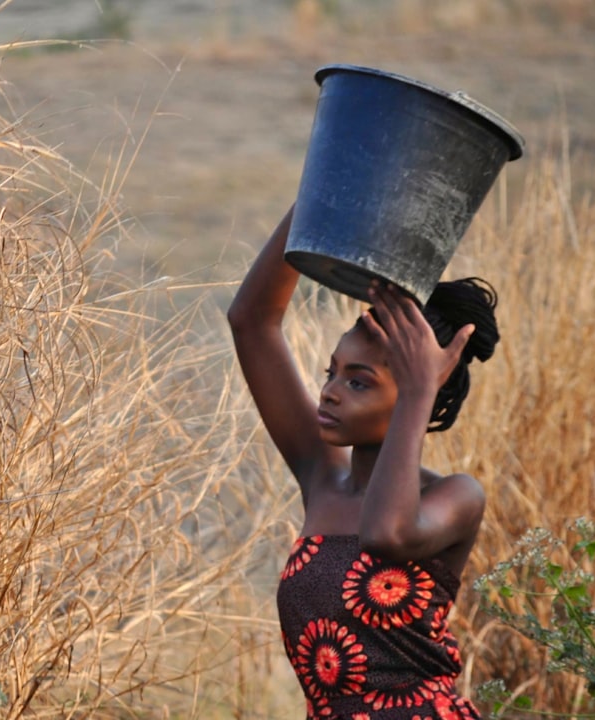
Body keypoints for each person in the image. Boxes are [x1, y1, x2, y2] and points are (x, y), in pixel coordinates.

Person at [227, 205, 499, 720]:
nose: (328, 393)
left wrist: (420, 389)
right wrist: (323, 190)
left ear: (423, 393)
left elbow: (388, 535)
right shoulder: (323, 479)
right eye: (331, 373)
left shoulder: (456, 498)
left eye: (358, 382)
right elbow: (251, 322)